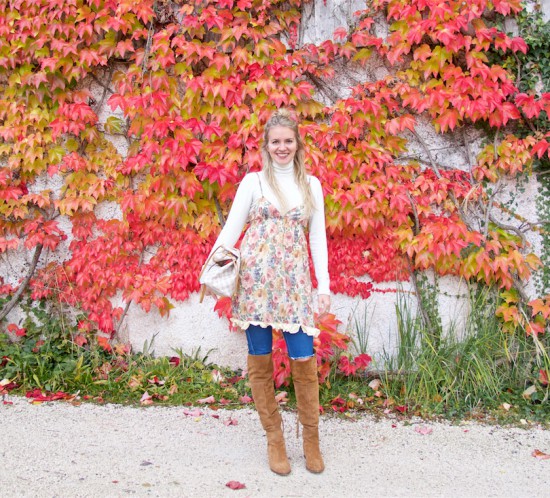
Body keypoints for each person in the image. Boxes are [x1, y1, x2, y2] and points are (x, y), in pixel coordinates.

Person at [207, 108, 330, 475]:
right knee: (259, 360)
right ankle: (275, 440)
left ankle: (311, 441)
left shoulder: (311, 186)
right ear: (266, 145)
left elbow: (318, 239)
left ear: (297, 144)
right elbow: (230, 232)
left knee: (304, 361)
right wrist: (213, 272)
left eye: (287, 141)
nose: (281, 147)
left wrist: (322, 286)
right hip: (256, 287)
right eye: (275, 141)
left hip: (294, 289)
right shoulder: (252, 183)